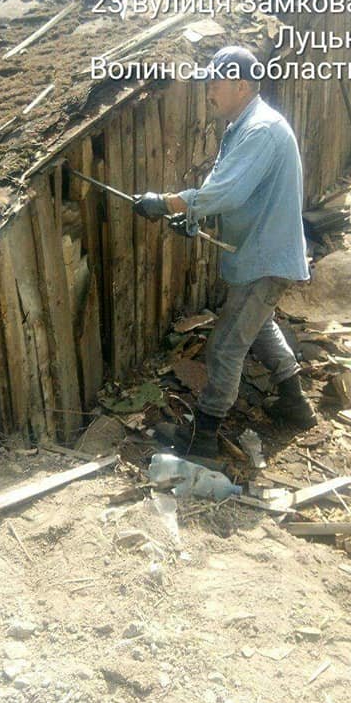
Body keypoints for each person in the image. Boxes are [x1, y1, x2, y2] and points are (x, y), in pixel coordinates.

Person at [134, 45, 316, 456]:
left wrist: (165, 203)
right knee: (260, 326)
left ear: (242, 86)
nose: (209, 91)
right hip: (261, 253)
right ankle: (295, 403)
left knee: (226, 345)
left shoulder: (260, 130)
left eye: (215, 83)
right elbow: (227, 191)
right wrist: (192, 217)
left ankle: (204, 438)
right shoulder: (244, 126)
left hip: (265, 258)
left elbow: (227, 193)